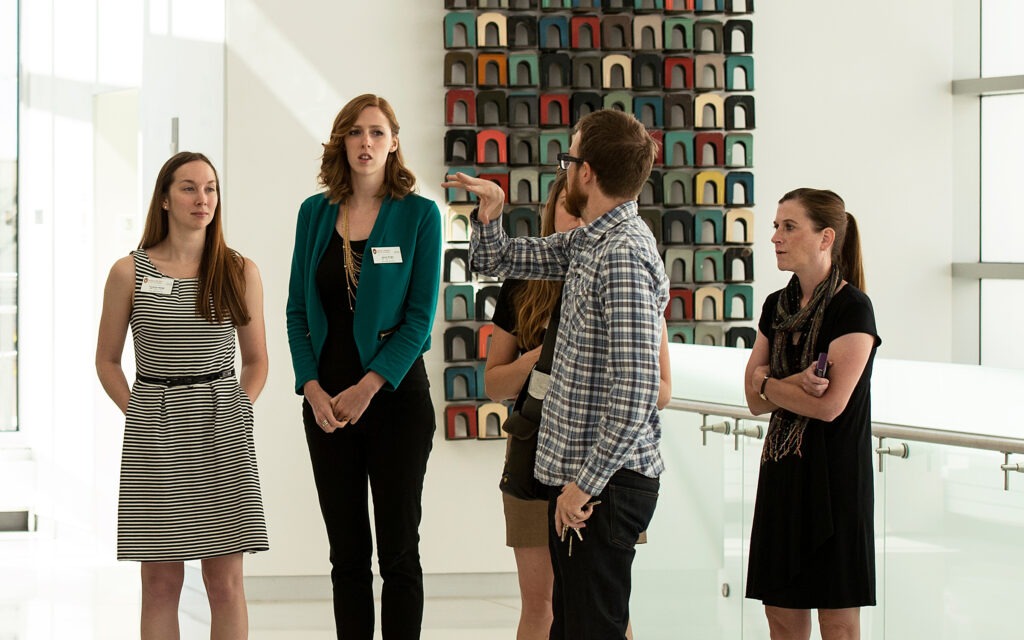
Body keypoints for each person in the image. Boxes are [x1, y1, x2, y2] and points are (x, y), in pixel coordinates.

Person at [447, 108, 668, 640]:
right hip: (582, 482)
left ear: (586, 172)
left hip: (602, 487)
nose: (565, 170)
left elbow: (639, 390)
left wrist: (582, 488)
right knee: (571, 626)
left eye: (569, 158)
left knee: (595, 627)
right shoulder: (591, 240)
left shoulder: (622, 253)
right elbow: (501, 259)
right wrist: (491, 211)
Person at [95, 151, 269, 639]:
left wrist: (239, 408)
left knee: (226, 582)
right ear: (165, 199)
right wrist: (139, 411)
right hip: (155, 433)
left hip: (221, 430)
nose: (202, 198)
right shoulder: (128, 272)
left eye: (210, 187)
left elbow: (257, 360)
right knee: (160, 580)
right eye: (190, 187)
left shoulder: (239, 270)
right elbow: (106, 360)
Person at [286, 94, 441, 640]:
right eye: (355, 132)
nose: (366, 142)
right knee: (346, 554)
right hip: (327, 408)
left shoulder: (420, 214)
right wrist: (311, 388)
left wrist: (367, 386)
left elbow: (420, 319)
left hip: (395, 401)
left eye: (377, 132)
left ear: (394, 141)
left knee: (399, 550)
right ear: (341, 142)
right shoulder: (313, 213)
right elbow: (296, 312)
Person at [742, 188, 881, 640]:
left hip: (836, 484)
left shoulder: (852, 308)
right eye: (776, 227)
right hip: (782, 475)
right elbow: (751, 395)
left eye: (788, 226)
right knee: (780, 617)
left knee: (838, 624)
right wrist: (780, 385)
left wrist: (769, 383)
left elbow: (828, 406)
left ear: (825, 238)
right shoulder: (775, 306)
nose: (775, 237)